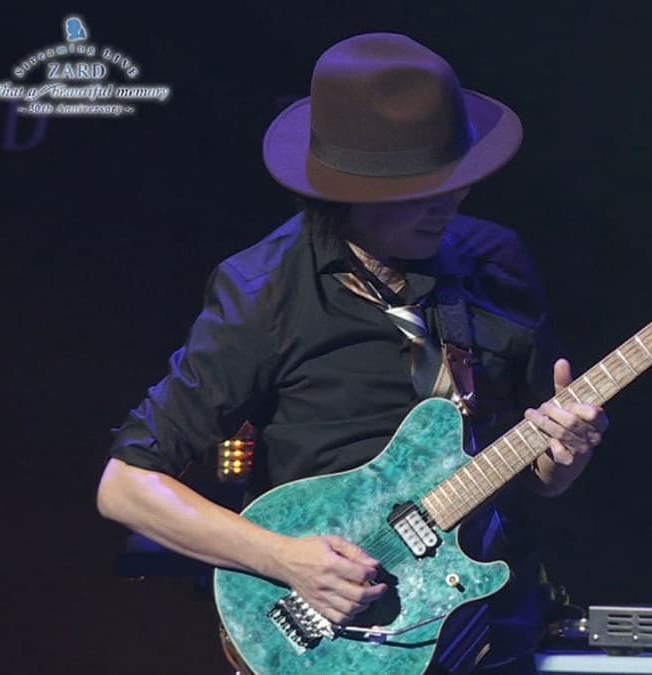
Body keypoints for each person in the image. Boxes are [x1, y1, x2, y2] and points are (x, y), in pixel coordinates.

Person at [96, 32, 608, 673]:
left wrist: (566, 457)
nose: (449, 202)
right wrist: (284, 559)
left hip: (489, 631)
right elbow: (125, 487)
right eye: (420, 189)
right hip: (337, 639)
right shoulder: (263, 292)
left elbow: (538, 472)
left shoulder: (496, 262)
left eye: (456, 180)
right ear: (349, 192)